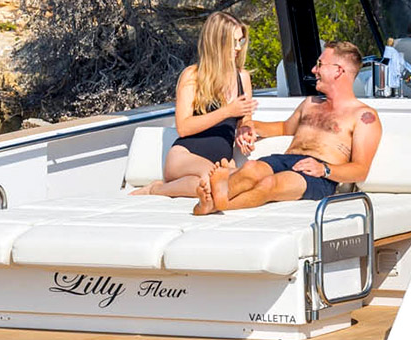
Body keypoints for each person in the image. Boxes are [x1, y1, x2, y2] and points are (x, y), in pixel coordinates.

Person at [195, 41, 382, 215]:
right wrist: (248, 126)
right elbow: (284, 128)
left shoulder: (364, 116)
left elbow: (360, 169)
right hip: (286, 159)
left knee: (270, 184)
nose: (314, 69)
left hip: (318, 175)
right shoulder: (309, 103)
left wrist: (324, 169)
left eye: (320, 64)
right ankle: (211, 200)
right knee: (251, 168)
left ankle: (215, 205)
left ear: (338, 71)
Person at [134, 12, 256, 197]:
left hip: (221, 162)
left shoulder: (242, 77)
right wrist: (226, 111)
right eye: (233, 42)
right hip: (184, 157)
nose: (238, 48)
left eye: (241, 41)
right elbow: (183, 127)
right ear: (217, 43)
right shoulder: (193, 75)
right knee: (216, 179)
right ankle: (155, 189)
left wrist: (245, 128)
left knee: (235, 183)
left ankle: (174, 189)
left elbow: (245, 117)